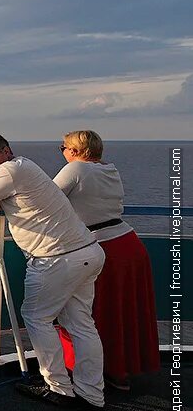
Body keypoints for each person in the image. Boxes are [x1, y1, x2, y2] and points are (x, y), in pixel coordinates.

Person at [0, 134, 106, 411]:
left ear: (6, 151)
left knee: (36, 317)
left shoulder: (9, 170)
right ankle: (92, 394)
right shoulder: (24, 166)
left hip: (56, 259)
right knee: (81, 325)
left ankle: (58, 387)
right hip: (86, 251)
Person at [53, 130, 159, 390]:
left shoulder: (76, 169)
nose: (62, 152)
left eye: (63, 147)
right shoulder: (110, 170)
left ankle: (88, 372)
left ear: (75, 151)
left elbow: (46, 199)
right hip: (128, 243)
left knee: (89, 312)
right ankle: (119, 370)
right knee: (121, 311)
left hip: (102, 248)